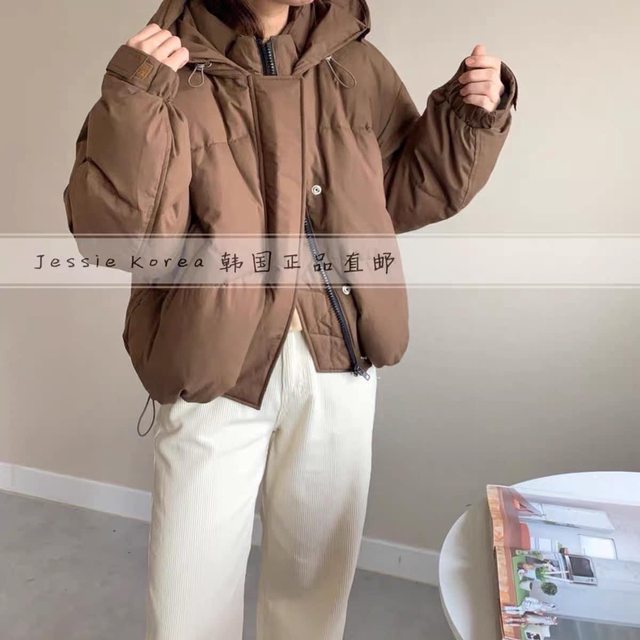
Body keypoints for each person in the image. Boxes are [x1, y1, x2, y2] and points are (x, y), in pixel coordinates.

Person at [63, 0, 518, 638]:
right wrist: (133, 102)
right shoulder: (163, 66)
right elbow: (121, 241)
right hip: (216, 368)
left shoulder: (355, 64)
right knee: (189, 602)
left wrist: (468, 117)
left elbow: (398, 194)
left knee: (313, 594)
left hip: (339, 361)